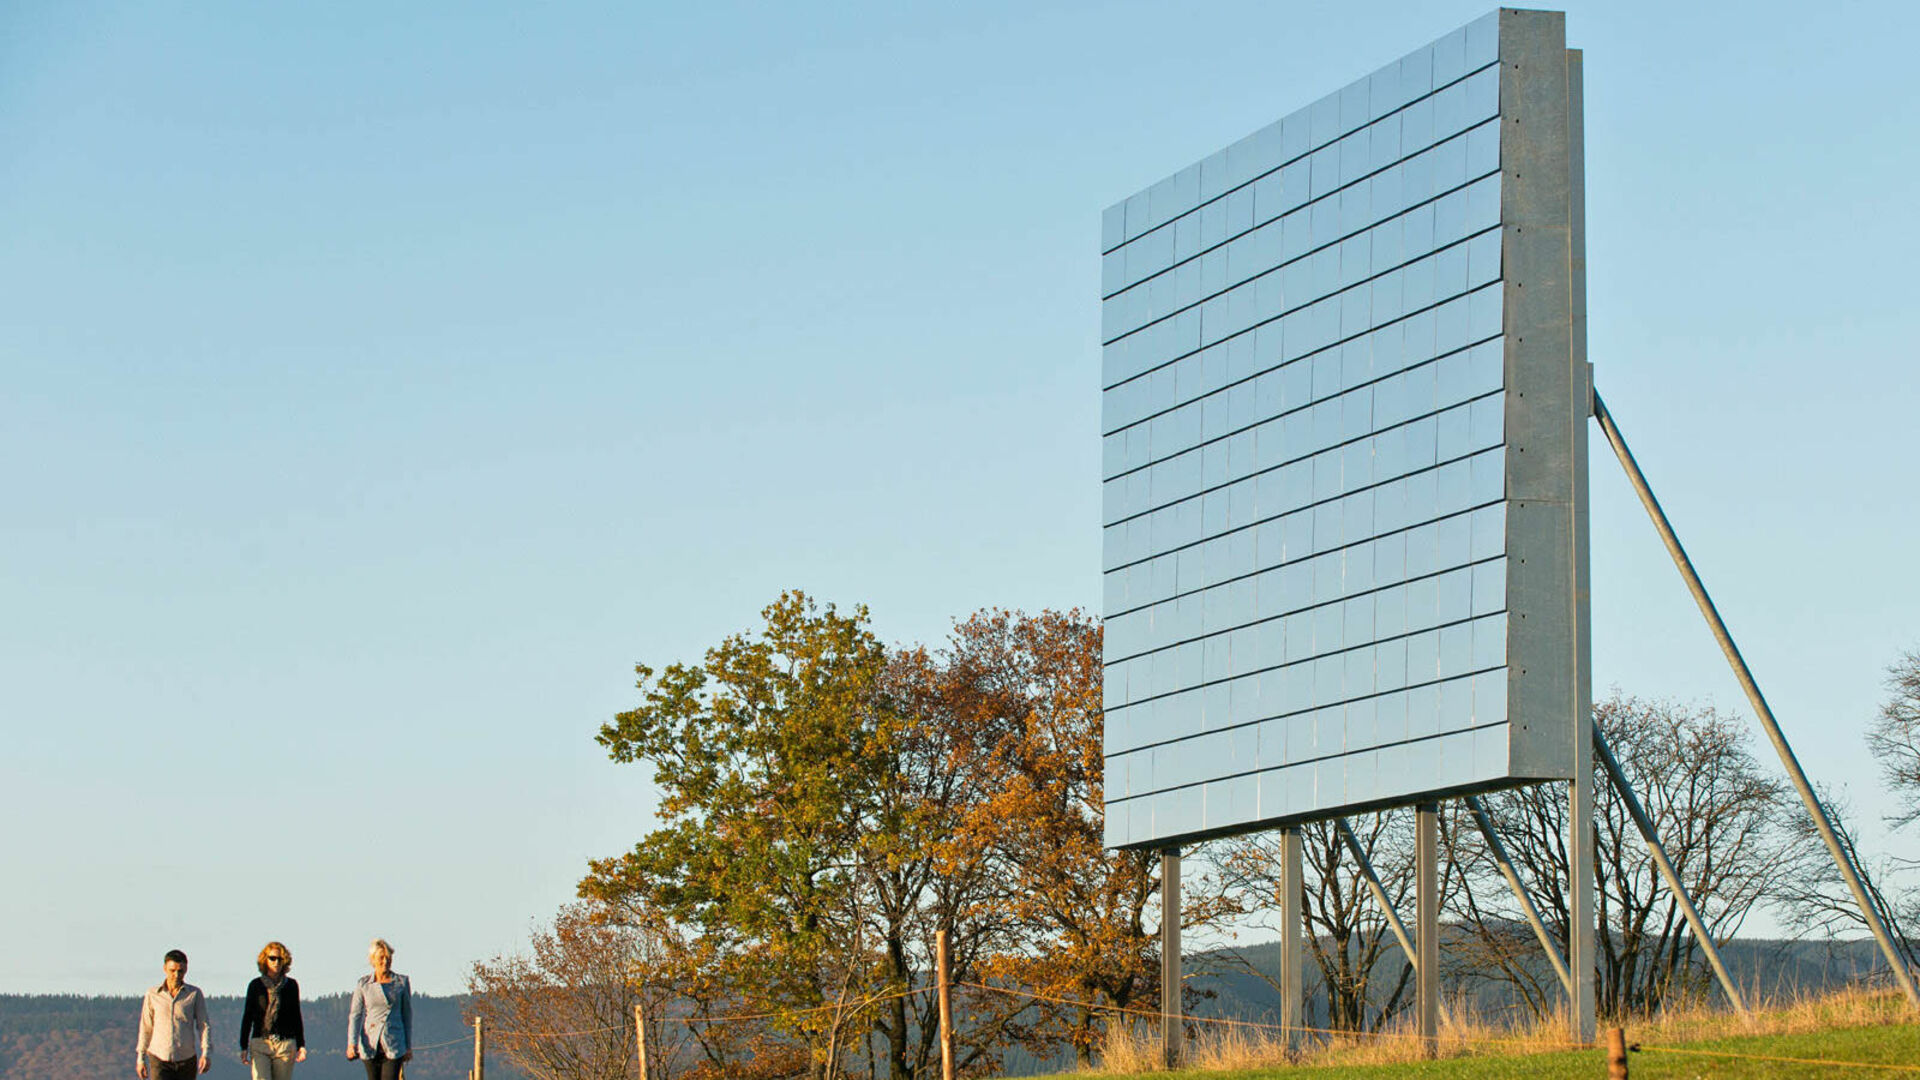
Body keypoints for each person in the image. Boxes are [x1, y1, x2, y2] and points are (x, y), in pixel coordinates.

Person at [136, 949, 210, 1078]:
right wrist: (140, 1058)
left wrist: (206, 1053)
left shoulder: (194, 994)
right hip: (159, 1058)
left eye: (180, 971)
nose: (176, 975)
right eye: (172, 970)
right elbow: (146, 1027)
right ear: (165, 969)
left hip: (186, 1059)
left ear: (186, 970)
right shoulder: (153, 994)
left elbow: (203, 1025)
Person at [239, 940, 308, 1079]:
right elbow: (248, 1016)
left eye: (280, 959)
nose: (276, 962)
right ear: (265, 960)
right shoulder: (255, 985)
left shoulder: (291, 986)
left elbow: (296, 1016)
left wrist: (301, 1045)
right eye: (272, 958)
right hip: (260, 1042)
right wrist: (243, 1046)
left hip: (285, 1045)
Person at [346, 938, 413, 1080]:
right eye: (381, 958)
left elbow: (407, 1016)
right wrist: (352, 1044)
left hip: (394, 1043)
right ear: (373, 960)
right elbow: (355, 1015)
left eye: (388, 958)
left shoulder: (401, 982)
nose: (385, 962)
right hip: (370, 1043)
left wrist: (408, 1046)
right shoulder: (364, 984)